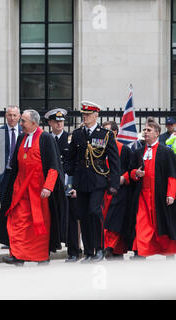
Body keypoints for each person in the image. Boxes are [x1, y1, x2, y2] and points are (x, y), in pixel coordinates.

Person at [1, 109, 66, 266]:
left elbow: (54, 166)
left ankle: (40, 256)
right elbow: (15, 165)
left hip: (39, 191)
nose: (20, 124)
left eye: (23, 121)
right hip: (20, 189)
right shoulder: (22, 137)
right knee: (17, 221)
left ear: (34, 123)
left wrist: (48, 187)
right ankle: (17, 254)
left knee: (38, 225)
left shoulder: (46, 138)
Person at [67, 101, 120, 263]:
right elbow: (71, 157)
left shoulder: (105, 134)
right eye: (83, 114)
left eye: (88, 115)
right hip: (82, 180)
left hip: (98, 180)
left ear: (96, 116)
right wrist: (70, 175)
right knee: (83, 215)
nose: (85, 117)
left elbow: (114, 160)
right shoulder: (77, 134)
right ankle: (89, 252)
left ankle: (99, 249)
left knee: (94, 211)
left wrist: (114, 184)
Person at [126, 119, 176, 259]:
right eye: (145, 130)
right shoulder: (138, 152)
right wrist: (136, 173)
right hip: (142, 194)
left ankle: (169, 252)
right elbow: (130, 171)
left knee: (162, 224)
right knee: (141, 223)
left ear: (157, 133)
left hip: (159, 194)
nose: (145, 132)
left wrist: (171, 194)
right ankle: (140, 253)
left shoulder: (166, 152)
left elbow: (172, 175)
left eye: (149, 130)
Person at [44, 108, 77, 262]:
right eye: (56, 121)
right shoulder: (45, 139)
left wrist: (73, 185)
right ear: (50, 123)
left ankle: (74, 251)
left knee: (70, 218)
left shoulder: (70, 139)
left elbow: (75, 163)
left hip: (67, 182)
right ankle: (47, 251)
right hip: (51, 184)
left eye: (61, 121)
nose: (59, 124)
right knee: (49, 217)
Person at [0, 105, 22, 249]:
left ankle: (18, 237)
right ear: (5, 116)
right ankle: (8, 238)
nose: (12, 118)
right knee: (5, 206)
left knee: (19, 207)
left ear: (19, 116)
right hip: (5, 175)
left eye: (15, 115)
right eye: (9, 115)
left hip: (20, 175)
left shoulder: (24, 131)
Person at [101, 121, 133, 260]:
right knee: (103, 220)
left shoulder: (124, 149)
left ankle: (111, 247)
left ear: (115, 132)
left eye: (107, 130)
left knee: (114, 221)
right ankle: (107, 247)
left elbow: (130, 169)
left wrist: (123, 178)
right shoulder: (99, 149)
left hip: (118, 191)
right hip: (103, 190)